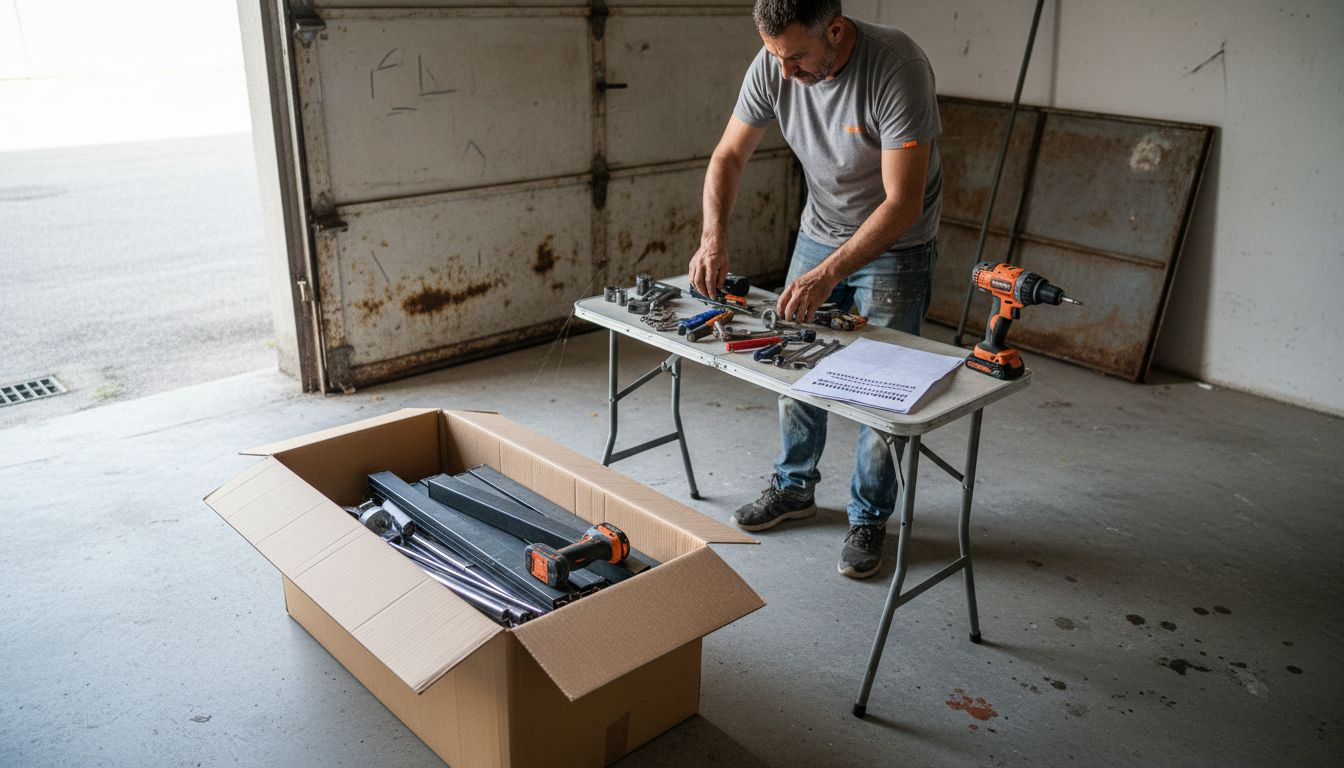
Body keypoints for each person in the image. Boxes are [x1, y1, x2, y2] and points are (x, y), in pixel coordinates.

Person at [687, 0, 942, 579]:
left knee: (882, 387)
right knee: (795, 361)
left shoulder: (897, 66)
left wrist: (827, 274)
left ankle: (869, 515)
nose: (784, 74)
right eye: (776, 57)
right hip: (819, 230)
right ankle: (795, 487)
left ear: (835, 29)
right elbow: (728, 155)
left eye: (796, 57)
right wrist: (713, 238)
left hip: (897, 244)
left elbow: (902, 203)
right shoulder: (775, 60)